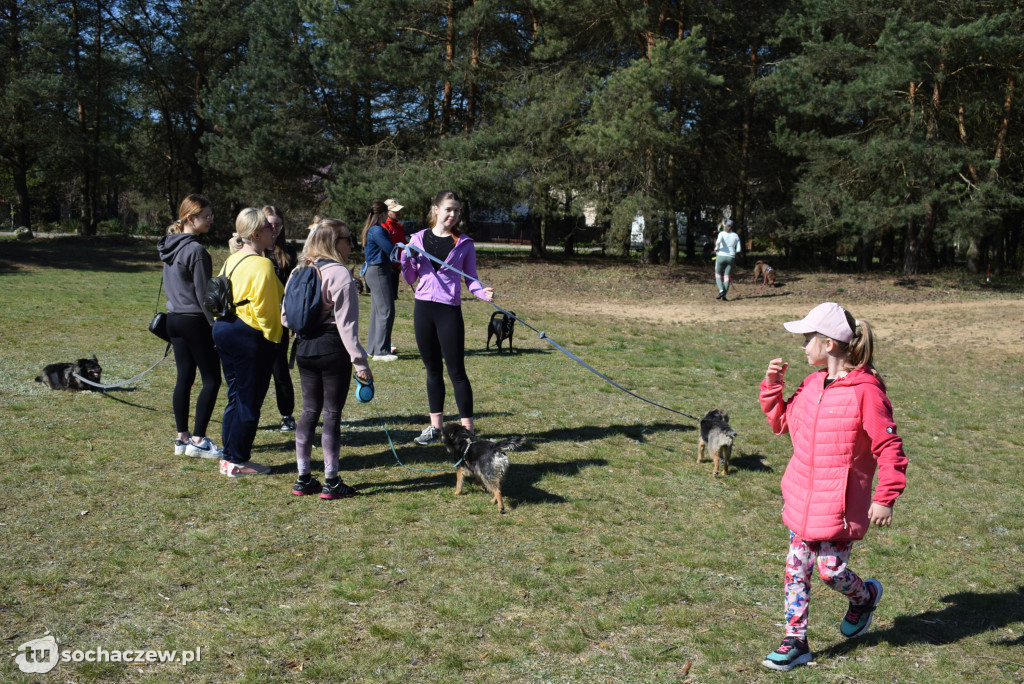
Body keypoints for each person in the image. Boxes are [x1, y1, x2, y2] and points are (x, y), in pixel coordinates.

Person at [759, 302, 908, 672]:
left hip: (838, 506)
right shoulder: (812, 384)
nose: (803, 346)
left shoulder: (866, 392)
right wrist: (772, 388)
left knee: (831, 571)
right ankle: (796, 641)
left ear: (828, 344)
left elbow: (889, 446)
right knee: (796, 570)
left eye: (808, 338)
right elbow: (782, 424)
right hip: (800, 499)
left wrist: (885, 497)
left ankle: (865, 597)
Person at [282, 219, 372, 499]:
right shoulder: (340, 274)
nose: (351, 245)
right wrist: (360, 363)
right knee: (331, 414)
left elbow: (286, 316)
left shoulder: (299, 270)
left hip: (304, 348)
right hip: (333, 349)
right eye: (348, 239)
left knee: (309, 412)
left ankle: (303, 477)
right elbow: (347, 326)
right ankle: (332, 481)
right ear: (335, 242)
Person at [401, 190, 494, 445]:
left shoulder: (464, 243)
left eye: (457, 211)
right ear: (436, 210)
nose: (453, 215)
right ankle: (435, 428)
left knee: (457, 372)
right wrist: (406, 259)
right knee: (432, 370)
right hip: (423, 309)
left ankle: (468, 431)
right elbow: (410, 278)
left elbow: (471, 280)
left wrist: (482, 292)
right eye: (448, 209)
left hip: (448, 311)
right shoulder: (416, 240)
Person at [212, 208, 284, 477]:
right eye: (268, 227)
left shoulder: (232, 259)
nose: (273, 230)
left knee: (235, 396)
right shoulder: (263, 264)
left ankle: (229, 457)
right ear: (255, 233)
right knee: (248, 400)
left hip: (225, 328)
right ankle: (237, 461)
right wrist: (273, 340)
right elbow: (267, 312)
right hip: (249, 334)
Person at [157, 194, 223, 458]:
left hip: (174, 319)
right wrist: (215, 327)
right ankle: (197, 440)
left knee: (184, 377)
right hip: (195, 321)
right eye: (206, 216)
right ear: (190, 218)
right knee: (212, 380)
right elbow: (204, 295)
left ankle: (181, 437)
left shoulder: (168, 246)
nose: (211, 220)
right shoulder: (196, 250)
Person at [263, 205, 298, 431]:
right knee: (255, 371)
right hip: (256, 319)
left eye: (277, 224)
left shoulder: (289, 253)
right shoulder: (253, 251)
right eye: (269, 224)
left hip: (280, 321)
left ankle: (287, 415)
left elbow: (294, 289)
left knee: (280, 369)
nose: (274, 228)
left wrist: (294, 318)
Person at [362, 200, 400, 361]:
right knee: (386, 310)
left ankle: (372, 348)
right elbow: (390, 251)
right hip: (379, 271)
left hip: (373, 271)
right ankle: (382, 351)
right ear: (383, 214)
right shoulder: (378, 230)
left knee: (377, 311)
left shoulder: (371, 229)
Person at [382, 198, 408, 303]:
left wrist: (402, 263)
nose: (398, 213)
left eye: (399, 210)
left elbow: (403, 245)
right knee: (386, 300)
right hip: (388, 266)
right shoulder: (384, 226)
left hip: (397, 266)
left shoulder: (399, 227)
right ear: (387, 212)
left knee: (393, 299)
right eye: (395, 211)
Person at [714, 218, 741, 300]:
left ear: (726, 226)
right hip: (731, 257)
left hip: (721, 255)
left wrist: (716, 248)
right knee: (727, 276)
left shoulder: (721, 234)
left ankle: (721, 290)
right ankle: (724, 296)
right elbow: (739, 249)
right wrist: (734, 253)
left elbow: (718, 242)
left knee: (718, 274)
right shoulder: (736, 235)